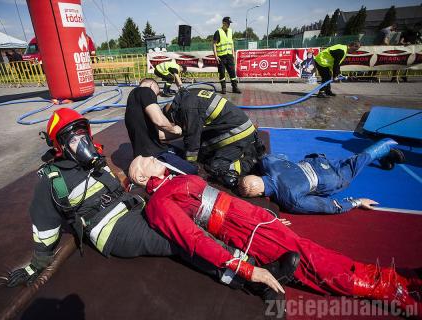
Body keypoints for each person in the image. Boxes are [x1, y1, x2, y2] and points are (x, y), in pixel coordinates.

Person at [6, 108, 294, 297]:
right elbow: (44, 229)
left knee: (195, 216)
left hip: (134, 207)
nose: (81, 144)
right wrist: (35, 266)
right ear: (59, 145)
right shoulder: (51, 180)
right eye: (73, 139)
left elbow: (121, 186)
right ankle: (254, 280)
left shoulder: (96, 161)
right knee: (182, 240)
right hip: (112, 229)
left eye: (83, 135)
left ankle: (259, 258)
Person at [128, 157, 422, 316]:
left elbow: (223, 198)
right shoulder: (159, 205)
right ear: (142, 178)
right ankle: (393, 289)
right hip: (244, 233)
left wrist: (266, 216)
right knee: (315, 264)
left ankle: (398, 281)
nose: (152, 157)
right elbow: (194, 239)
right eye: (145, 160)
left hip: (254, 221)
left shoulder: (174, 180)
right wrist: (246, 268)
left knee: (314, 253)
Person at [238, 138, 405, 214]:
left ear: (260, 194)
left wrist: (357, 202)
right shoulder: (267, 162)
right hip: (316, 161)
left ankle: (386, 145)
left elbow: (328, 206)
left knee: (357, 163)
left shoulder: (289, 199)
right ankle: (386, 156)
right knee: (350, 160)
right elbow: (283, 158)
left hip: (330, 179)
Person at [163, 88, 265, 187]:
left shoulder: (189, 110)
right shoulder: (187, 96)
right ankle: (243, 149)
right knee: (204, 150)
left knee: (216, 167)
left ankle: (250, 161)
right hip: (235, 125)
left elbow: (192, 139)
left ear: (173, 118)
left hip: (238, 132)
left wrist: (189, 163)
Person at [213, 16, 241, 94]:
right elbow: (214, 44)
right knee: (222, 72)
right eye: (228, 23)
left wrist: (233, 53)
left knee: (232, 72)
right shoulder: (218, 32)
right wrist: (216, 56)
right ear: (224, 23)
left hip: (229, 56)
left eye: (229, 23)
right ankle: (223, 88)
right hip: (221, 57)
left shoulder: (230, 31)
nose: (229, 25)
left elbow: (231, 43)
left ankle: (235, 88)